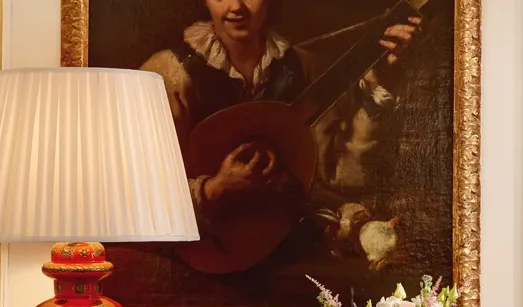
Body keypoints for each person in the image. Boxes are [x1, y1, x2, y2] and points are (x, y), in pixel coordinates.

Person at [140, 0, 421, 274]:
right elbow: (139, 192)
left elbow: (336, 177)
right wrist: (215, 189)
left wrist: (376, 88)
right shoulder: (168, 74)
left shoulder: (302, 67)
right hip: (203, 254)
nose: (236, 6)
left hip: (286, 248)